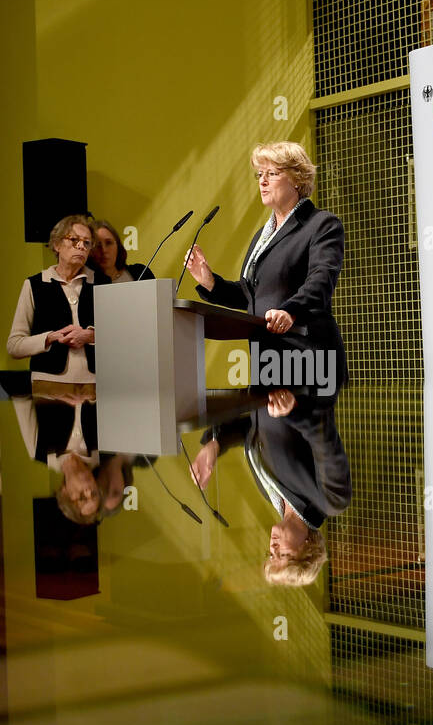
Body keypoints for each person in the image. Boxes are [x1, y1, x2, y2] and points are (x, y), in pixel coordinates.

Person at [183, 141, 347, 388]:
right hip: (269, 362)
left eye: (272, 174)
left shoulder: (321, 225)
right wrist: (210, 282)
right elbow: (252, 294)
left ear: (297, 178)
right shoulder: (263, 235)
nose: (262, 181)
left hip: (308, 358)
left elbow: (321, 280)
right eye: (260, 174)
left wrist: (290, 311)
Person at [188, 387, 350, 586]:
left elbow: (254, 428)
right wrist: (292, 410)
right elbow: (323, 437)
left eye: (271, 554)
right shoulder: (330, 501)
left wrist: (215, 444)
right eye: (282, 554)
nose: (273, 547)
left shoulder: (271, 495)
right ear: (308, 549)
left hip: (265, 376)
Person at [6, 214, 97, 383]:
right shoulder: (35, 284)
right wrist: (49, 338)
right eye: (74, 239)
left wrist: (90, 336)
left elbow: (121, 338)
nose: (81, 246)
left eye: (87, 242)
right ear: (56, 245)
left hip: (96, 384)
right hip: (48, 384)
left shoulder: (101, 283)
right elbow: (14, 346)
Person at [89, 218, 153, 284]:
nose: (104, 250)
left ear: (118, 245)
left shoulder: (141, 272)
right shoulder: (86, 284)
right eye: (98, 245)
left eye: (109, 243)